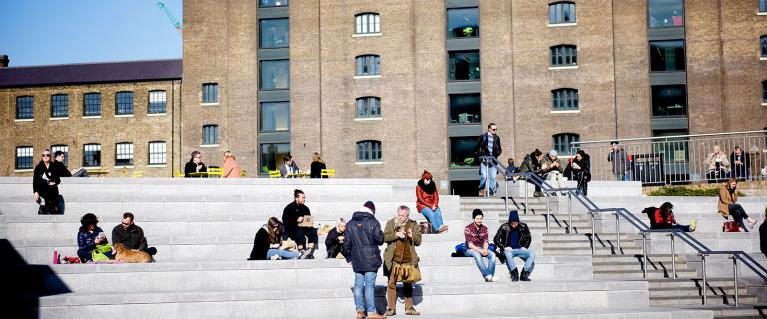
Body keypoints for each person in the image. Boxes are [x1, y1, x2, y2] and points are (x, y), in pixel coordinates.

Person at [343, 201, 385, 319]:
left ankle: (360, 311)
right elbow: (380, 239)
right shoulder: (374, 222)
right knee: (369, 285)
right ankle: (371, 312)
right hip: (371, 258)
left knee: (358, 285)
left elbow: (346, 244)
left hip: (357, 258)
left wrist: (348, 258)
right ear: (372, 211)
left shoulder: (350, 223)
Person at [383, 205, 422, 316]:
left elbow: (419, 241)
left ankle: (409, 308)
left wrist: (411, 236)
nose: (400, 217)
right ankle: (391, 308)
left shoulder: (413, 224)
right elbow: (384, 237)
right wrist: (396, 234)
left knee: (408, 283)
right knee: (391, 283)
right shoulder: (391, 223)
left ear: (407, 215)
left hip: (408, 260)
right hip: (394, 259)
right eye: (399, 215)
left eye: (403, 215)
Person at [493, 210, 535, 282]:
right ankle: (514, 274)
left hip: (520, 249)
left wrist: (525, 246)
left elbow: (528, 237)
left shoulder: (523, 226)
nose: (513, 225)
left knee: (531, 253)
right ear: (509, 222)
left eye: (515, 223)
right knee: (508, 254)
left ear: (518, 222)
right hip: (509, 250)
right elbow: (496, 238)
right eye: (512, 223)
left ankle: (524, 274)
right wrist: (504, 247)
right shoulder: (504, 227)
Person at [282, 189, 318, 258]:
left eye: (304, 197)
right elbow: (285, 221)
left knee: (313, 230)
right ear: (296, 198)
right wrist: (296, 220)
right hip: (291, 228)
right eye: (302, 198)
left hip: (303, 227)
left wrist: (309, 224)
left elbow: (308, 219)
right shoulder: (289, 208)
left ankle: (309, 251)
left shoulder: (305, 208)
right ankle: (301, 251)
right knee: (299, 232)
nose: (304, 199)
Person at [464, 209, 497, 282]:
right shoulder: (468, 228)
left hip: (482, 248)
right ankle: (488, 275)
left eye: (481, 218)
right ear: (474, 218)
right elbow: (470, 244)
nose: (479, 220)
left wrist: (485, 250)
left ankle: (489, 276)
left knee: (493, 255)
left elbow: (486, 241)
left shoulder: (485, 228)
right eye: (477, 219)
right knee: (477, 255)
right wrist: (480, 251)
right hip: (471, 249)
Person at [475, 123, 502, 197]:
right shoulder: (483, 136)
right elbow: (477, 147)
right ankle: (481, 189)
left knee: (492, 177)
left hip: (493, 160)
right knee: (484, 176)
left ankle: (490, 191)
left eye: (496, 129)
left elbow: (499, 148)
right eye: (493, 129)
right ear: (489, 129)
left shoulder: (497, 137)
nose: (495, 130)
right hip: (484, 159)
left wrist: (497, 154)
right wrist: (481, 154)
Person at [33, 149, 61, 214]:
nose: (45, 156)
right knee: (49, 188)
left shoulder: (54, 166)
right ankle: (52, 208)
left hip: (52, 187)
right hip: (42, 187)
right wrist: (35, 192)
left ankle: (52, 207)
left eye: (47, 155)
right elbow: (35, 180)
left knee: (54, 187)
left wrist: (54, 182)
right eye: (43, 155)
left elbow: (58, 180)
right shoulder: (38, 167)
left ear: (50, 157)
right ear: (42, 157)